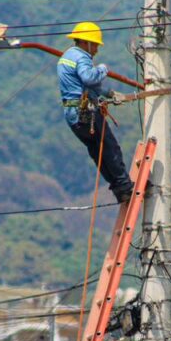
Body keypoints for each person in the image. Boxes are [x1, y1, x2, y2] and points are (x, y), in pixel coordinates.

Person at [57, 21, 135, 204]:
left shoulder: (67, 56)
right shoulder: (82, 57)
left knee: (97, 150)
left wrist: (110, 94)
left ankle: (120, 190)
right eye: (96, 46)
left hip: (72, 114)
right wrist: (102, 69)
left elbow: (88, 86)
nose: (96, 51)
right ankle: (125, 186)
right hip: (86, 111)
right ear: (86, 42)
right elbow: (88, 77)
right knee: (110, 147)